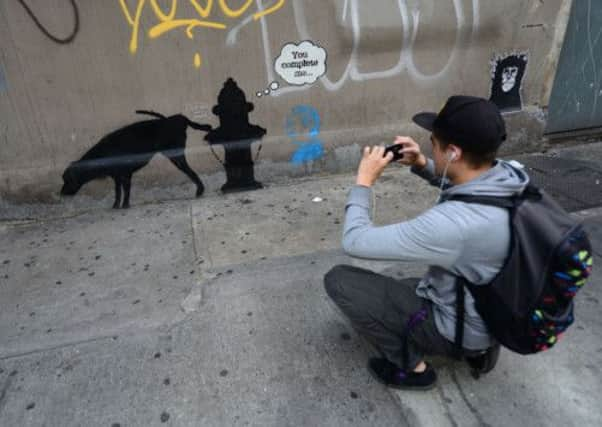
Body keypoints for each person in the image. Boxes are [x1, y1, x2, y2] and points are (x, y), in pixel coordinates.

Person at [324, 95, 530, 390]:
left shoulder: (451, 225)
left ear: (454, 152)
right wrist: (423, 163)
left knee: (342, 281)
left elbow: (355, 241)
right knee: (406, 285)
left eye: (433, 141)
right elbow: (468, 185)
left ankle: (413, 369)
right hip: (496, 309)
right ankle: (481, 347)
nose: (430, 144)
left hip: (459, 329)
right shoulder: (513, 175)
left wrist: (363, 182)